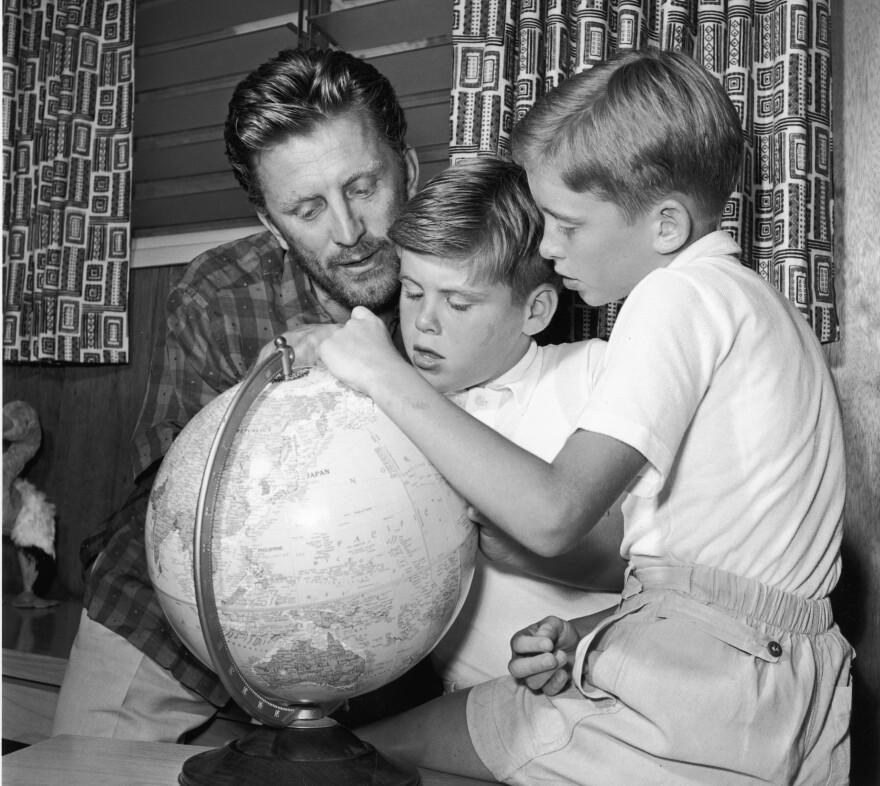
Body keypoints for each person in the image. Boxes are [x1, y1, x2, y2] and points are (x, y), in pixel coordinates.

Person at [318, 49, 854, 785]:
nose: (546, 246)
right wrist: (591, 629)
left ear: (665, 223)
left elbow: (552, 515)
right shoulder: (764, 306)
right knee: (411, 741)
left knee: (349, 759)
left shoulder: (676, 298)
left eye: (567, 225)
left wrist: (382, 372)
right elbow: (744, 586)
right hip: (770, 682)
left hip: (705, 700)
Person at [52, 47, 427, 744]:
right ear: (269, 221)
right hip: (173, 623)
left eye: (365, 186)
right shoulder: (217, 295)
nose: (347, 233)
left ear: (408, 165)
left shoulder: (483, 278)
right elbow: (167, 505)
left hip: (390, 629)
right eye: (307, 208)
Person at [387, 157, 623, 692]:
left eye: (459, 302)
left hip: (608, 684)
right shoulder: (386, 412)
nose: (424, 321)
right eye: (412, 290)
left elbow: (660, 563)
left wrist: (528, 554)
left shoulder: (597, 374)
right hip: (462, 707)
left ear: (535, 312)